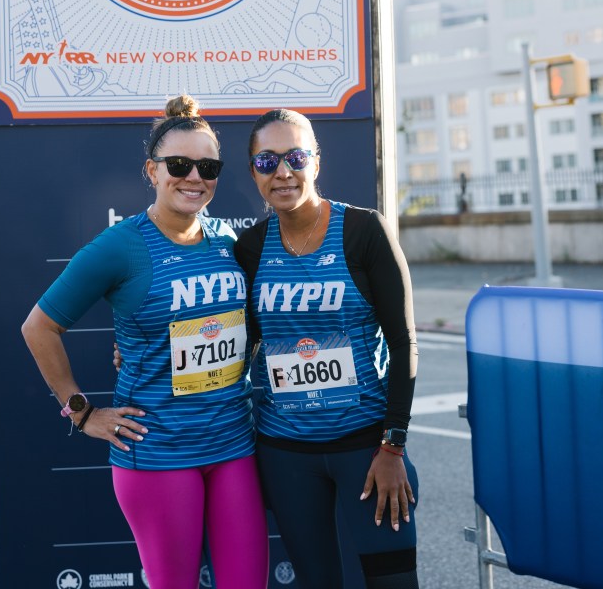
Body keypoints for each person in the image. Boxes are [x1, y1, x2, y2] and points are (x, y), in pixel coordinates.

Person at [21, 95, 268, 589]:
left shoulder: (229, 242)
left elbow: (246, 330)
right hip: (157, 455)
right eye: (178, 164)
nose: (194, 176)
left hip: (233, 448)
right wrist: (82, 412)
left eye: (208, 165)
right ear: (151, 171)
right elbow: (38, 327)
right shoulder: (122, 245)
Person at [235, 108, 421, 589]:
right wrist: (144, 347)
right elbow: (238, 336)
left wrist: (393, 445)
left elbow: (403, 343)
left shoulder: (364, 231)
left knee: (392, 582)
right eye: (267, 161)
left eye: (296, 156)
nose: (283, 172)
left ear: (316, 162)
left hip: (366, 447)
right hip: (285, 454)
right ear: (253, 170)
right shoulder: (250, 248)